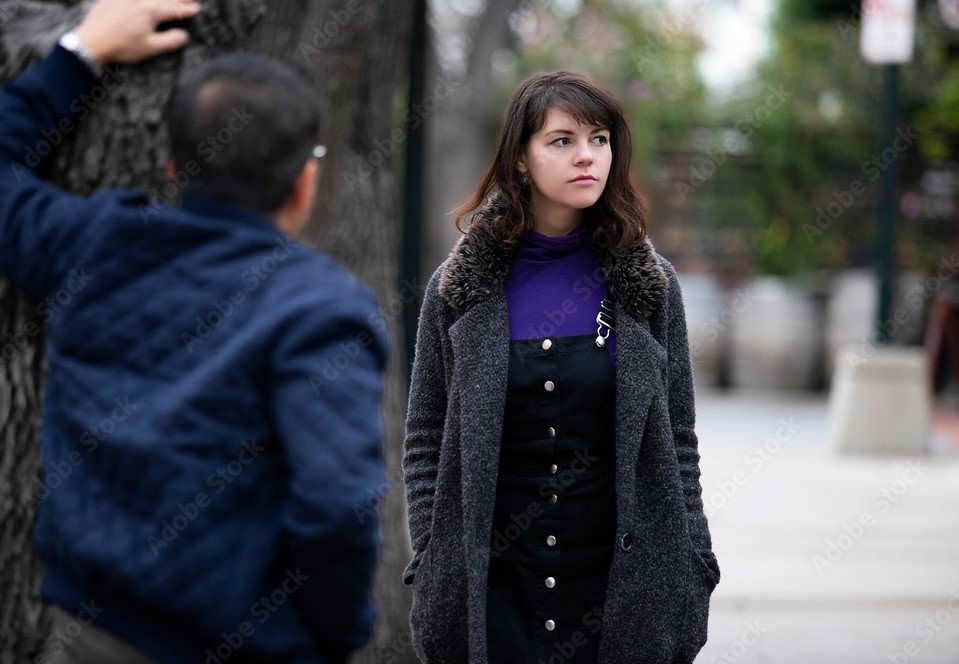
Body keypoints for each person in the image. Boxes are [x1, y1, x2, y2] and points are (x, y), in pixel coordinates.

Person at [0, 1, 389, 662]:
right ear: (304, 181)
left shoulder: (91, 244)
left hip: (85, 636)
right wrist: (336, 634)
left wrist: (80, 51)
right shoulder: (324, 310)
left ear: (173, 167)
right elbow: (335, 509)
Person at [402, 71, 720, 664]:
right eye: (562, 140)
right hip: (495, 585)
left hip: (622, 582)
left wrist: (694, 561)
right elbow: (426, 438)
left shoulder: (649, 288)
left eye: (599, 139)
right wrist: (434, 557)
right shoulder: (458, 291)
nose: (587, 157)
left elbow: (679, 441)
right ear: (520, 159)